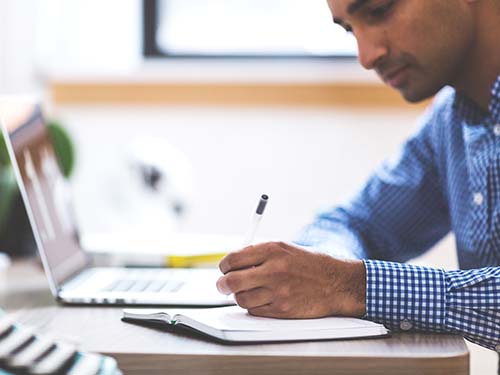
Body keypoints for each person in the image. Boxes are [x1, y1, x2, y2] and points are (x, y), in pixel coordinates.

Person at [216, 0, 500, 367]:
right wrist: (316, 272)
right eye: (349, 29)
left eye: (379, 11)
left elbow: (346, 279)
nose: (366, 56)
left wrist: (350, 285)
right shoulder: (451, 121)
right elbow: (354, 223)